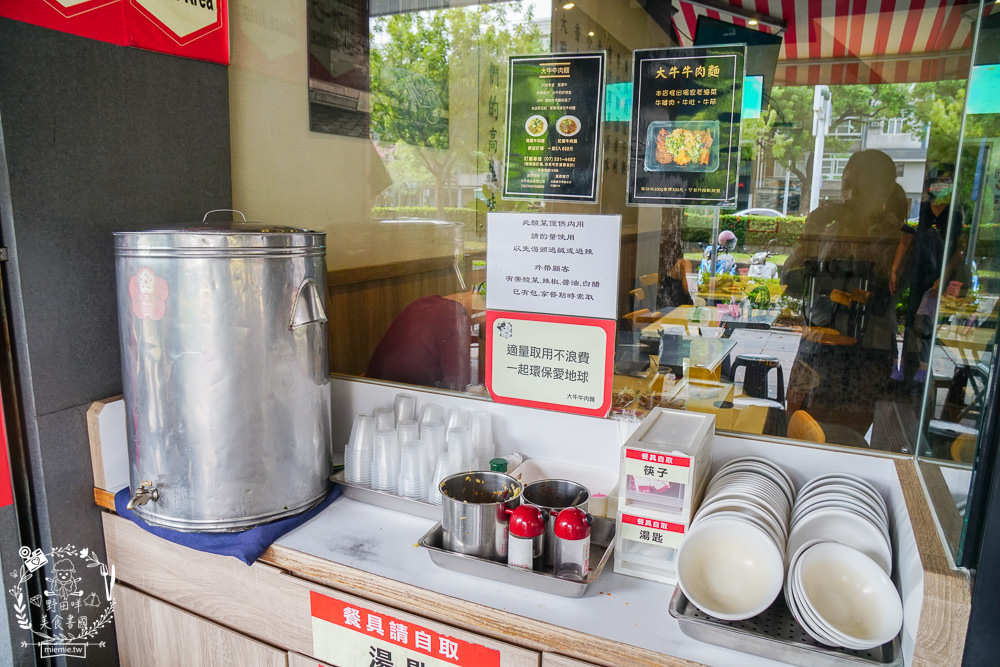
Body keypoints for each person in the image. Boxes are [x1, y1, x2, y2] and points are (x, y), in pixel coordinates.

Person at [782, 149, 904, 440]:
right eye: (847, 184)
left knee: (847, 436)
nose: (852, 194)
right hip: (817, 348)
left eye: (864, 186)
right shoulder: (831, 231)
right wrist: (811, 234)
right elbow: (790, 281)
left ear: (886, 189)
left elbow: (890, 288)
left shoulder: (895, 237)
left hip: (867, 355)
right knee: (800, 428)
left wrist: (857, 232)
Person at [890, 164, 964, 387]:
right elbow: (906, 239)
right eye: (938, 182)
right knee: (912, 320)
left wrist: (944, 276)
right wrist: (894, 269)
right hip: (917, 273)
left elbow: (958, 250)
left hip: (939, 276)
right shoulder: (922, 210)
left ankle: (923, 368)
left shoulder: (954, 215)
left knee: (930, 323)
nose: (941, 187)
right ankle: (902, 368)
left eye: (947, 183)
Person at [365, 295, 471, 391]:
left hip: (368, 386)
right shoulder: (455, 317)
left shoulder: (420, 303)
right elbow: (460, 384)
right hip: (403, 395)